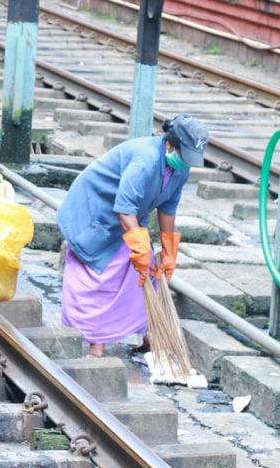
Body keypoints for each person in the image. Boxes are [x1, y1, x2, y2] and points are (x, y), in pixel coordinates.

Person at [56, 115, 208, 358]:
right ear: (169, 145)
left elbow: (168, 207)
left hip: (129, 215)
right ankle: (96, 342)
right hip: (95, 208)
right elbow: (124, 207)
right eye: (184, 155)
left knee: (145, 270)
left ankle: (140, 330)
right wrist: (140, 247)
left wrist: (169, 250)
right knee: (99, 276)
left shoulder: (180, 170)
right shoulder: (146, 161)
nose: (186, 163)